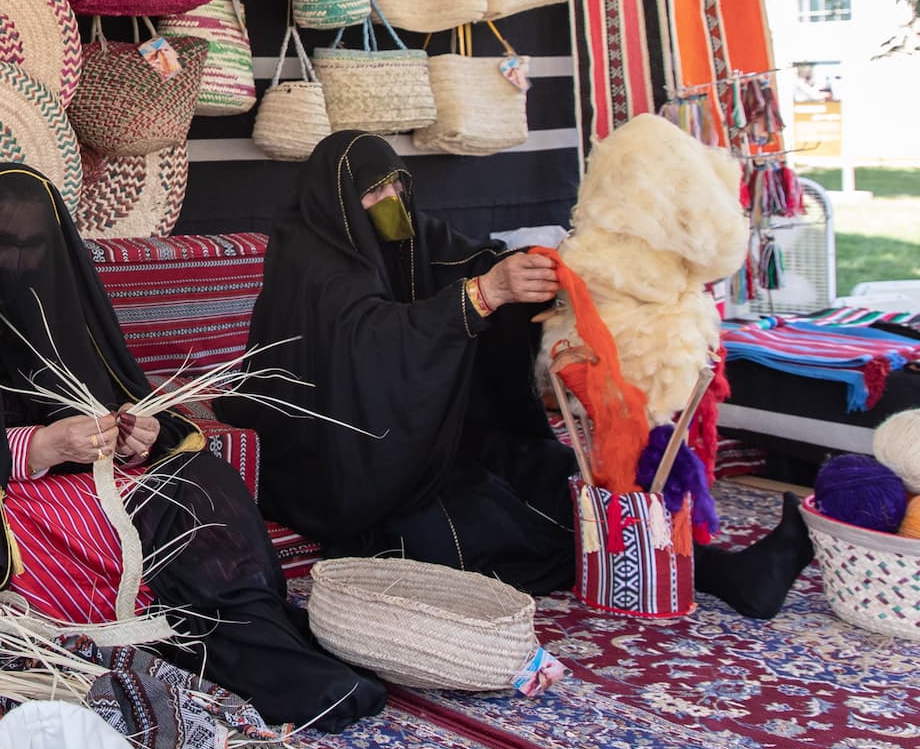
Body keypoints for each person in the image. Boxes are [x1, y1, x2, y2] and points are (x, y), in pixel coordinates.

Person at [0, 164, 384, 731]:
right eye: (2, 244)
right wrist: (37, 447)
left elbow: (126, 402)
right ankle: (223, 655)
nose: (18, 262)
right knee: (101, 522)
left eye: (34, 245)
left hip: (90, 482)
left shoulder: (62, 303)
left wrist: (135, 438)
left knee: (199, 479)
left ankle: (248, 628)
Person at [219, 131, 813, 618]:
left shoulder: (409, 236)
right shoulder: (310, 264)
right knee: (461, 520)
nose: (394, 199)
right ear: (340, 200)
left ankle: (715, 572)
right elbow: (365, 342)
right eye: (376, 191)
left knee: (543, 471)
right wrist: (479, 297)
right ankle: (710, 575)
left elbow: (477, 262)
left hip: (415, 434)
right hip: (339, 457)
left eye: (400, 182)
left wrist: (532, 276)